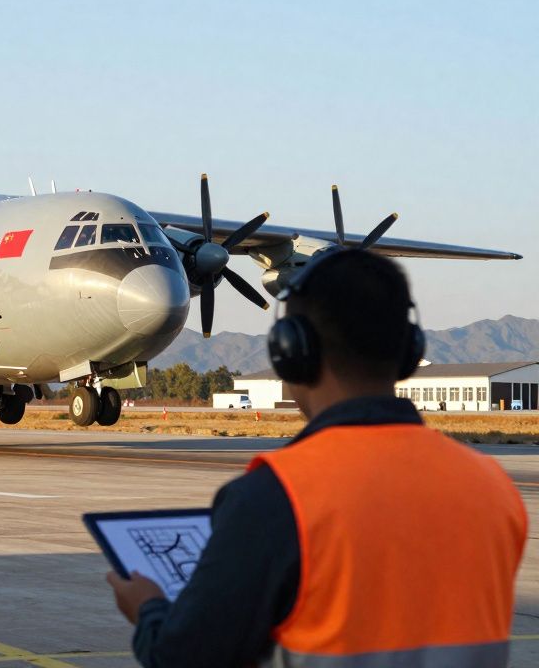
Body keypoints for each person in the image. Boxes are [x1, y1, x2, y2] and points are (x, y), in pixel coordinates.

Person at [105, 250, 526, 667]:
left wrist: (148, 609)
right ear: (409, 350)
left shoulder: (276, 497)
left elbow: (184, 657)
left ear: (291, 351)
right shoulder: (493, 486)